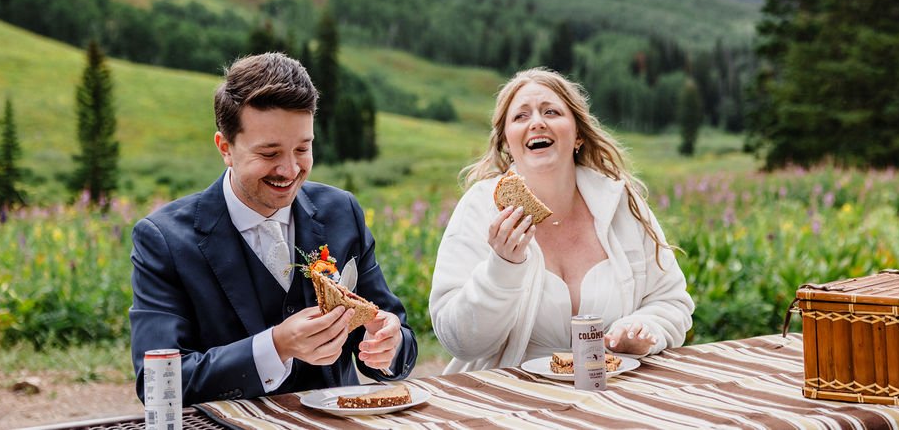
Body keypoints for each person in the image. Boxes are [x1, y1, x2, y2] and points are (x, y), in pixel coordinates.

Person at [130, 52, 417, 404]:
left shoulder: (342, 211)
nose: (290, 169)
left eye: (302, 148)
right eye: (269, 154)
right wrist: (276, 346)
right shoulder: (163, 240)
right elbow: (159, 384)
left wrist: (389, 344)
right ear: (225, 147)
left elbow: (398, 340)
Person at [429, 67, 693, 372]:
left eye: (551, 112)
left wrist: (643, 330)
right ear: (506, 142)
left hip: (611, 391)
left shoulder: (620, 202)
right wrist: (501, 268)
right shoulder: (480, 208)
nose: (537, 123)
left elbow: (672, 301)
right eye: (521, 116)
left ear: (578, 133)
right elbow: (458, 340)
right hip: (507, 400)